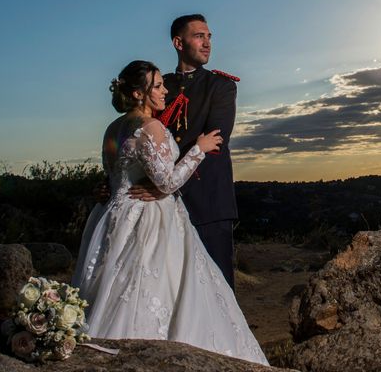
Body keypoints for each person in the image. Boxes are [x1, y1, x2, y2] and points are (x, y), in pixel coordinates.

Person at [72, 61, 267, 365]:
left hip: (112, 215)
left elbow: (116, 176)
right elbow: (167, 182)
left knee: (111, 288)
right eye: (159, 86)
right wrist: (199, 148)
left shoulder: (113, 128)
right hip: (148, 219)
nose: (166, 91)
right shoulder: (151, 127)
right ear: (139, 93)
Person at [129, 14, 239, 289]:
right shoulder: (159, 86)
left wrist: (166, 184)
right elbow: (140, 138)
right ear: (179, 43)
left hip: (208, 200)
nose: (207, 43)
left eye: (209, 36)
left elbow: (214, 143)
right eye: (199, 36)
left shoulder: (221, 86)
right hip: (161, 206)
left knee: (217, 287)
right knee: (171, 288)